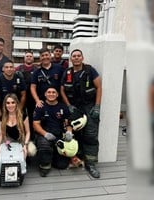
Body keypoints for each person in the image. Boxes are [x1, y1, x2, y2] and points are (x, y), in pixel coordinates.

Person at [60, 49, 102, 178]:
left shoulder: (90, 70)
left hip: (89, 106)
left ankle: (91, 164)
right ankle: (76, 158)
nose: (76, 58)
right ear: (71, 59)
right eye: (74, 56)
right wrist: (68, 105)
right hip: (74, 107)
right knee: (74, 133)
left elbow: (99, 87)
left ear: (82, 58)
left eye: (79, 56)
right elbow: (61, 90)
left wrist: (97, 106)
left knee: (90, 134)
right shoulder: (67, 72)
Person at [33, 86, 73, 177]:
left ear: (57, 94)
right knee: (44, 145)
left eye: (53, 92)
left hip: (59, 135)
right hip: (44, 134)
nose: (51, 94)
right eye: (49, 92)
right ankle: (45, 166)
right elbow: (35, 124)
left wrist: (69, 132)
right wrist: (45, 134)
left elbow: (68, 123)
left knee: (62, 165)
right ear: (45, 94)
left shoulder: (63, 106)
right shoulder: (40, 106)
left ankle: (53, 156)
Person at [0, 93, 36, 160]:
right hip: (8, 140)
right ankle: (2, 154)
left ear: (16, 103)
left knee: (32, 150)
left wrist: (25, 145)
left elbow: (28, 132)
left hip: (21, 140)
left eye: (13, 102)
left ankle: (24, 156)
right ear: (5, 105)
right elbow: (0, 134)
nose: (10, 105)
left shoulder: (23, 116)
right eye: (8, 103)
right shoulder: (2, 117)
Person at [16, 50, 39, 139]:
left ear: (33, 58)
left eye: (30, 56)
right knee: (20, 115)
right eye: (27, 56)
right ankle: (20, 135)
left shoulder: (37, 69)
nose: (29, 57)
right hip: (20, 97)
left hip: (32, 97)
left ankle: (32, 136)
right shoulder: (18, 69)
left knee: (32, 117)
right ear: (24, 58)